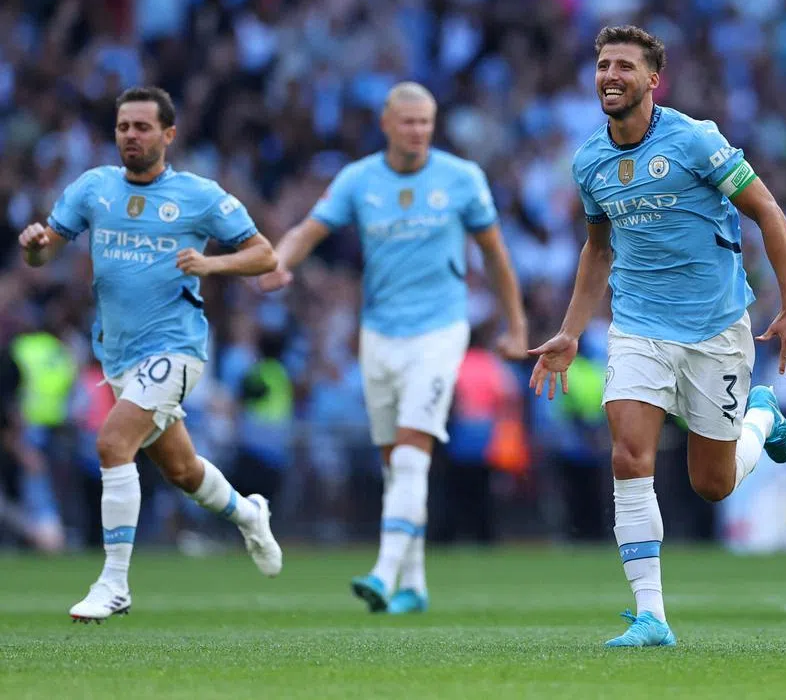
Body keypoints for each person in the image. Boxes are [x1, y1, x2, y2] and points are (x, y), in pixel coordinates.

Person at [528, 25, 786, 648]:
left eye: (624, 66)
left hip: (716, 328)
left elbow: (768, 213)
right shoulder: (590, 162)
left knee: (711, 485)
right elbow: (598, 248)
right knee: (628, 457)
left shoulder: (695, 140)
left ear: (652, 80)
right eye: (603, 64)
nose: (610, 75)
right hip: (637, 327)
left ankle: (761, 419)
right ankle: (652, 616)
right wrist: (570, 332)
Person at [259, 82, 528, 615]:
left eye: (426, 122)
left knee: (410, 453)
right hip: (378, 333)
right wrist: (281, 260)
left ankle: (384, 574)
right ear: (386, 124)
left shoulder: (461, 178)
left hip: (439, 330)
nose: (418, 131)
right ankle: (416, 584)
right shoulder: (359, 180)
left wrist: (516, 326)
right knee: (397, 464)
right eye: (408, 122)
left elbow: (496, 256)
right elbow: (308, 229)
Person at [17, 86, 283, 623]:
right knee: (183, 472)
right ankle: (250, 514)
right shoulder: (94, 188)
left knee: (113, 442)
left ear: (168, 134)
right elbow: (47, 252)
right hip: (117, 355)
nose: (131, 136)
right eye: (123, 127)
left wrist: (212, 266)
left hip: (176, 349)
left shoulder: (200, 195)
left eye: (141, 127)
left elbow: (263, 254)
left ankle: (113, 583)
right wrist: (34, 247)